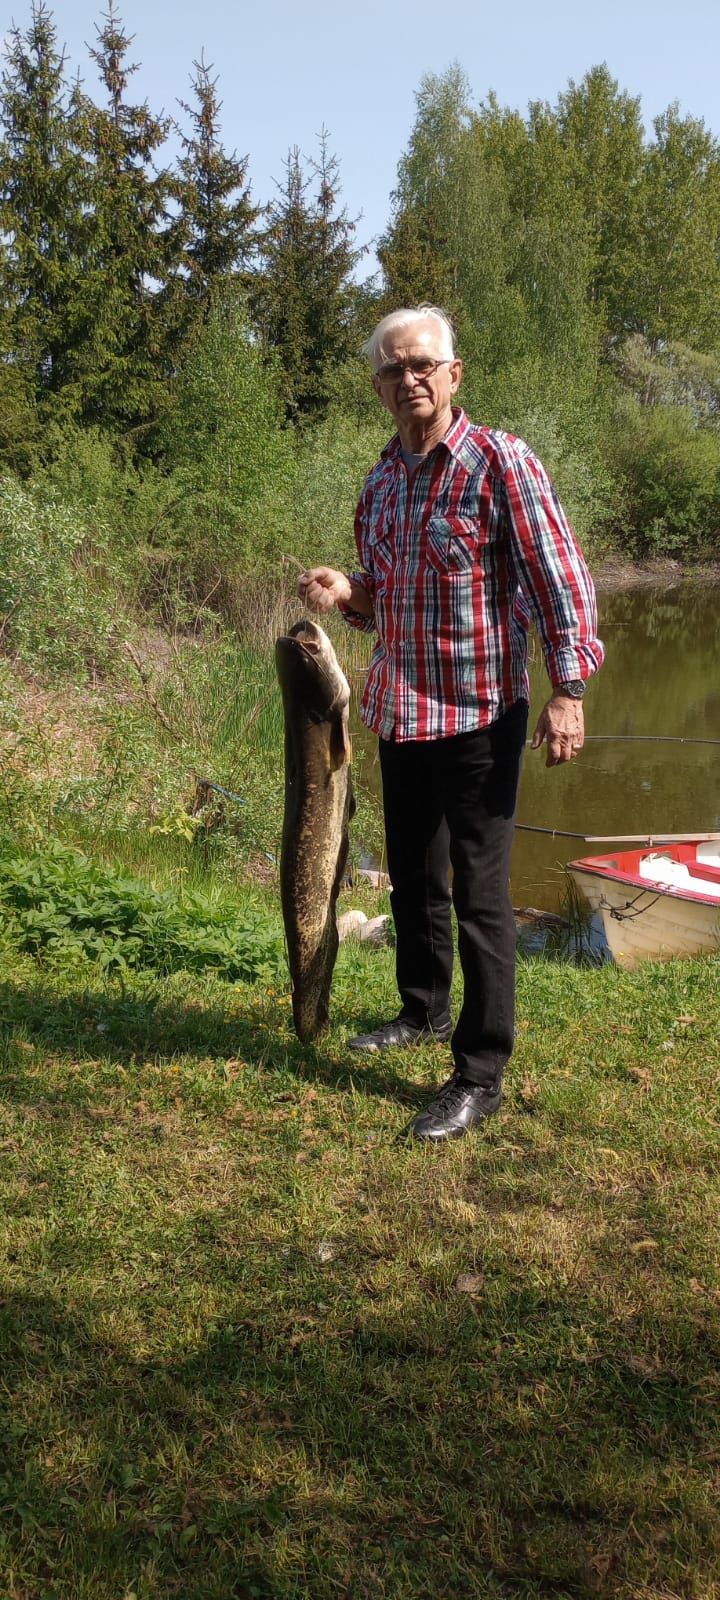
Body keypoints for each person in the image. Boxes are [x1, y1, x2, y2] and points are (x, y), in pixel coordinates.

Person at [297, 305, 604, 1142]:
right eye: (394, 370)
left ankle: (479, 1070)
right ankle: (423, 1009)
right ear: (379, 387)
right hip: (402, 713)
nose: (410, 380)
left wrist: (568, 688)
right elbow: (385, 598)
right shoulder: (381, 481)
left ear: (454, 373)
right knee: (413, 877)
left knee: (480, 896)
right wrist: (346, 592)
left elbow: (559, 579)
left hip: (479, 718)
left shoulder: (502, 463)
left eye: (423, 364)